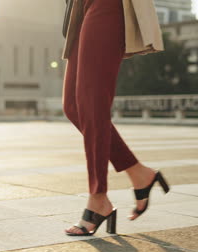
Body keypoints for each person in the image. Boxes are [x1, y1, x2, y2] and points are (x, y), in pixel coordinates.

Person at [61, 0, 170, 236]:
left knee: (92, 103)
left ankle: (98, 198)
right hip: (81, 6)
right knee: (73, 106)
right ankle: (140, 174)